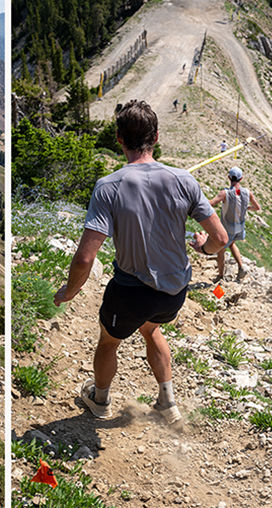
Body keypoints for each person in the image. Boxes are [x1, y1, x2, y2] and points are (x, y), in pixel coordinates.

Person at [53, 99, 228, 424]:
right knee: (151, 329)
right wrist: (204, 249)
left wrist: (70, 291)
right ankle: (167, 402)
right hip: (175, 291)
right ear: (156, 137)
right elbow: (220, 239)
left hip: (131, 292)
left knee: (108, 341)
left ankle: (100, 400)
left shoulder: (109, 187)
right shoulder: (184, 180)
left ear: (118, 138)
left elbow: (85, 257)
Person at [209, 166, 261, 282]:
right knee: (232, 244)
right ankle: (241, 267)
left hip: (228, 229)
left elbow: (211, 203)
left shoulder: (225, 193)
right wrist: (247, 207)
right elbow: (257, 207)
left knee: (221, 251)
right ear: (241, 178)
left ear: (229, 177)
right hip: (240, 228)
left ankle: (220, 276)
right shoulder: (247, 192)